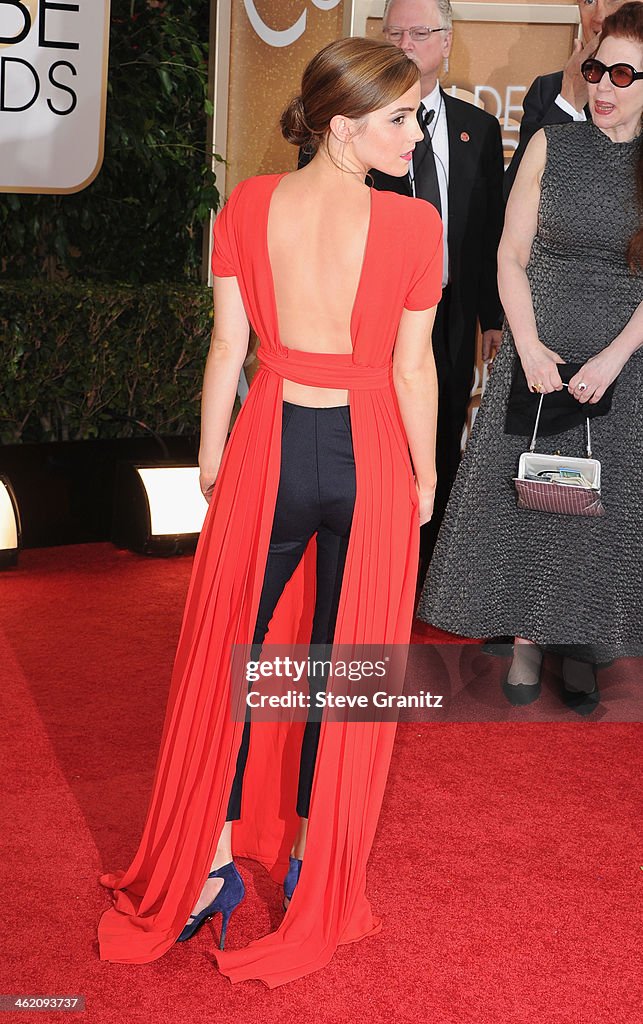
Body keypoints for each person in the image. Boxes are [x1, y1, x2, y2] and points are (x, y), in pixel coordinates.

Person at [98, 37, 443, 986]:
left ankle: (204, 862)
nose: (415, 132)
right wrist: (424, 474)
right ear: (342, 126)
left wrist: (211, 454)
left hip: (266, 449)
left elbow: (226, 345)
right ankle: (313, 869)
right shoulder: (414, 227)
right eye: (399, 117)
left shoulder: (248, 207)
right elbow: (413, 368)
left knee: (231, 658)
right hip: (369, 453)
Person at [417, 2, 643, 715]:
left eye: (621, 72)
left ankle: (577, 644)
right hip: (536, 348)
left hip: (621, 357)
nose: (601, 84)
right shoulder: (552, 142)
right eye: (593, 67)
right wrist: (527, 345)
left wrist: (611, 358)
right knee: (531, 495)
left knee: (594, 507)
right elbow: (509, 254)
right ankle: (522, 643)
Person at [373, 0, 505, 578]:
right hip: (377, 312)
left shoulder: (478, 128)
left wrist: (492, 317)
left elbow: (487, 232)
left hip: (449, 312)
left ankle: (432, 573)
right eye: (393, 32)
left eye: (420, 32)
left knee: (444, 431)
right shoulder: (359, 124)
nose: (405, 43)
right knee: (380, 436)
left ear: (446, 42)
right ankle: (376, 564)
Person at [504, 0, 637, 196]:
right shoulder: (548, 91)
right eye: (589, 1)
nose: (599, 16)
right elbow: (512, 196)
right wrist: (569, 101)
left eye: (611, 0)